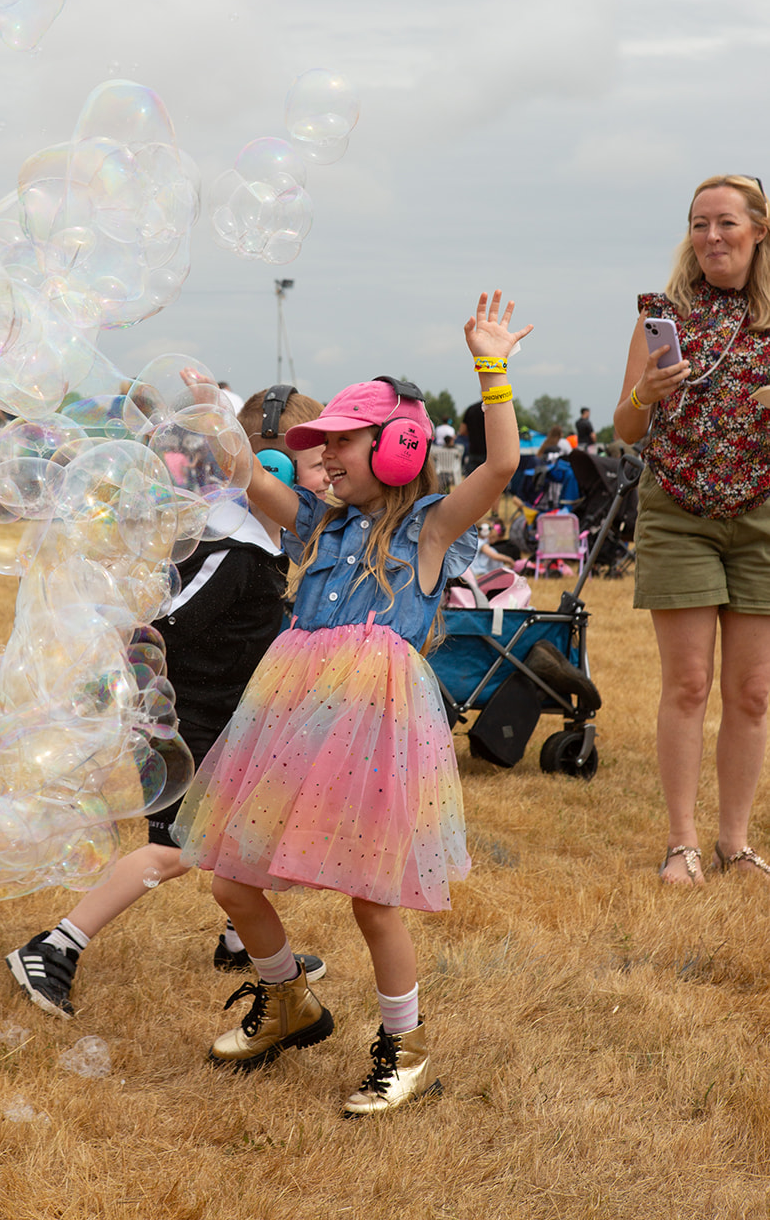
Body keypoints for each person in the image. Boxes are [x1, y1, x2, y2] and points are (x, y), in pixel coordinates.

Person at [175, 292, 530, 1116]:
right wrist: (210, 411)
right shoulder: (316, 528)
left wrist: (491, 368)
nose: (323, 455)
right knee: (230, 877)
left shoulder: (432, 531)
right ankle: (288, 998)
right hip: (293, 715)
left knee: (374, 897)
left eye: (341, 440)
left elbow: (502, 467)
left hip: (374, 730)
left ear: (401, 446)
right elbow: (238, 470)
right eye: (318, 442)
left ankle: (400, 1047)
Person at [5, 384, 331, 1018]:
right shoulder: (232, 552)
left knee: (246, 826)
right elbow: (156, 627)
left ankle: (244, 942)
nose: (333, 477)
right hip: (180, 722)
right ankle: (54, 948)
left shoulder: (263, 544)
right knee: (174, 849)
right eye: (321, 465)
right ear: (274, 472)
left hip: (223, 717)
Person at [613, 174, 770, 888]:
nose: (710, 237)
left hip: (762, 515)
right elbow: (624, 429)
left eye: (726, 224)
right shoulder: (663, 312)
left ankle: (732, 845)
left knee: (752, 692)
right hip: (677, 508)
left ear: (759, 230)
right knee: (687, 683)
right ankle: (680, 844)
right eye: (698, 224)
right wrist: (644, 394)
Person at [457, 396, 486, 475]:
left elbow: (462, 431)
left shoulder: (471, 409)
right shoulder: (495, 411)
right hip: (489, 453)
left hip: (474, 451)